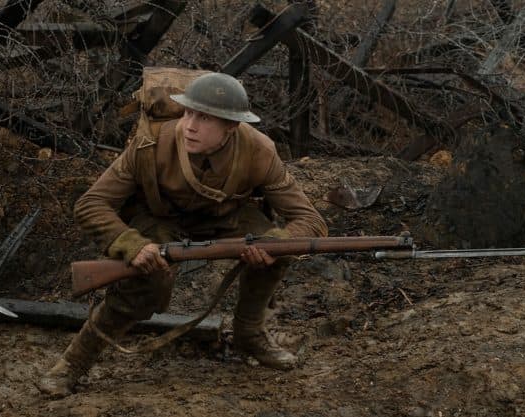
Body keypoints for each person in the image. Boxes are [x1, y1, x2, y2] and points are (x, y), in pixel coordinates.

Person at [36, 72, 328, 397]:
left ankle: (248, 333)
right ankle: (72, 364)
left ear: (231, 126)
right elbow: (91, 203)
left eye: (204, 118)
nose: (189, 125)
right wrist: (132, 245)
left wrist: (275, 244)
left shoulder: (259, 151)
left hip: (226, 217)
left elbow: (308, 219)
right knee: (143, 281)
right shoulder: (150, 144)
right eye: (188, 112)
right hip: (159, 216)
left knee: (277, 249)